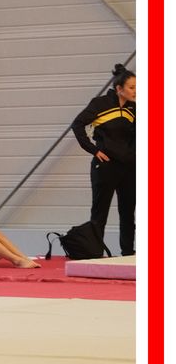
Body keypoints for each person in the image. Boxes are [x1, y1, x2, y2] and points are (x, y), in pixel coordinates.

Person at [70, 63, 136, 256]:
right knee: (100, 213)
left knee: (127, 212)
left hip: (128, 168)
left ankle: (128, 252)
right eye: (132, 87)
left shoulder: (134, 108)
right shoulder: (100, 104)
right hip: (105, 166)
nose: (136, 91)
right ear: (119, 89)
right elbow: (77, 125)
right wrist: (93, 150)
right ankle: (95, 253)